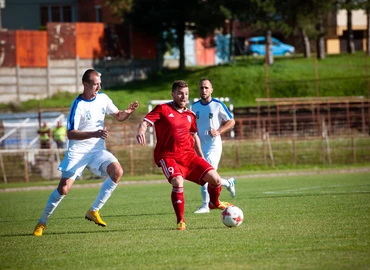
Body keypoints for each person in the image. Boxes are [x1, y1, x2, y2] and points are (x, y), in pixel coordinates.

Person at [33, 69, 139, 236]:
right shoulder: (78, 105)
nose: (98, 87)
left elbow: (118, 115)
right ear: (85, 84)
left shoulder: (103, 98)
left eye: (99, 84)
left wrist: (127, 112)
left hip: (97, 151)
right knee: (64, 189)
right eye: (95, 84)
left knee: (117, 171)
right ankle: (42, 222)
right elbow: (70, 133)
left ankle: (93, 211)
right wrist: (94, 133)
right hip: (78, 152)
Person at [136, 80, 232, 231]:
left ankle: (215, 202)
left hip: (189, 156)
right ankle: (181, 221)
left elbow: (194, 137)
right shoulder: (163, 108)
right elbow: (146, 122)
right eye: (180, 93)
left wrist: (200, 157)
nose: (183, 97)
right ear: (173, 94)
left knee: (216, 179)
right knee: (178, 181)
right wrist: (141, 130)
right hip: (169, 156)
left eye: (186, 94)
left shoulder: (190, 114)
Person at [192, 78, 236, 214]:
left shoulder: (218, 105)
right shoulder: (194, 107)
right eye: (201, 88)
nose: (203, 90)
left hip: (213, 146)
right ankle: (229, 183)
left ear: (211, 89)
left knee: (205, 174)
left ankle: (205, 205)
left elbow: (231, 121)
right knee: (206, 175)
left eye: (206, 88)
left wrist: (218, 131)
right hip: (199, 146)